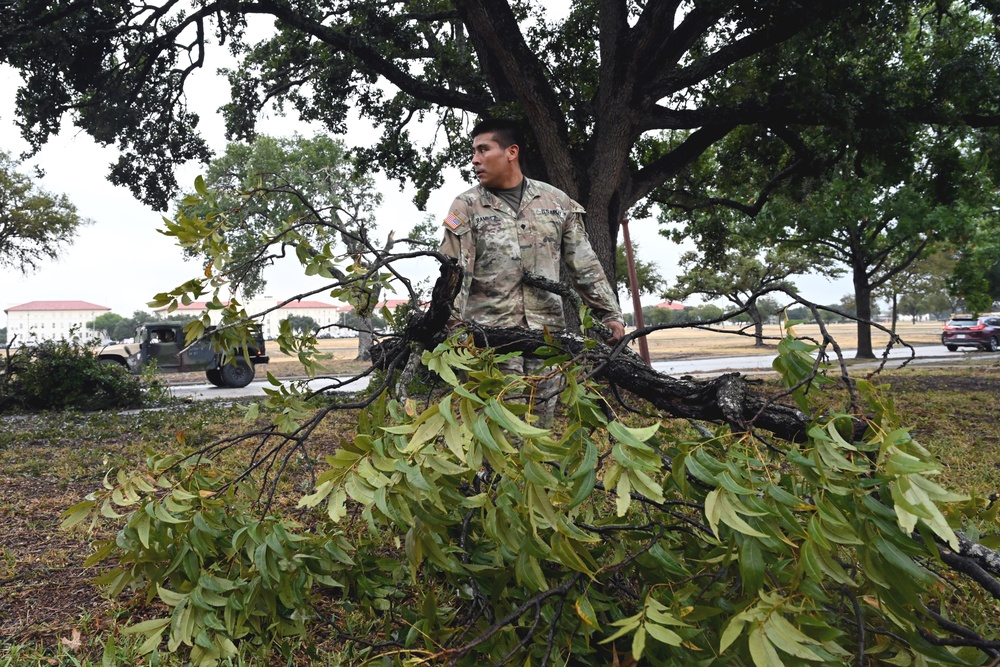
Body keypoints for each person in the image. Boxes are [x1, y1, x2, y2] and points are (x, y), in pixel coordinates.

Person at [438, 118, 625, 423]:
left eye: (484, 150)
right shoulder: (467, 206)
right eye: (474, 151)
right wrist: (453, 328)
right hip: (490, 338)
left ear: (511, 152)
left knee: (540, 428)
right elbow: (454, 273)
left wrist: (610, 315)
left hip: (546, 337)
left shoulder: (556, 202)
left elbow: (585, 264)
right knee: (500, 430)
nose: (475, 159)